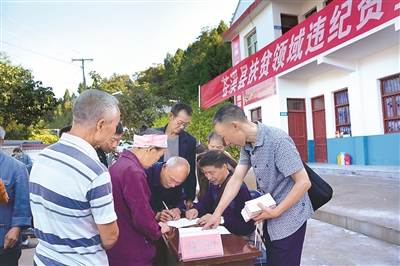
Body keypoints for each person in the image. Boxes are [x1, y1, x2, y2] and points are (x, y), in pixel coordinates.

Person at [203, 104, 313, 266]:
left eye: (224, 137)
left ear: (235, 126)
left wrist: (277, 212)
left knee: (283, 261)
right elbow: (236, 179)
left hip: (290, 216)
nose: (226, 143)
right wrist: (217, 213)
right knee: (273, 259)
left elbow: (304, 182)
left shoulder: (277, 140)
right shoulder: (247, 146)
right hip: (271, 213)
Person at [29, 90, 120, 265]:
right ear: (100, 125)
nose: (115, 131)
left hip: (43, 260)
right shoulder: (95, 172)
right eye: (115, 125)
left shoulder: (44, 156)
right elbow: (110, 237)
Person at [107, 128, 170, 266]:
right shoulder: (134, 171)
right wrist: (158, 230)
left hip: (118, 244)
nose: (156, 161)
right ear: (150, 149)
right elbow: (141, 216)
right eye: (159, 156)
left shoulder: (120, 164)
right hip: (132, 250)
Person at [186, 150, 254, 236]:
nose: (208, 177)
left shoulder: (239, 189)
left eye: (211, 172)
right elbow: (206, 203)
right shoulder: (214, 183)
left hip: (236, 237)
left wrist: (221, 219)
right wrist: (195, 209)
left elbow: (248, 226)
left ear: (224, 167)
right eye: (205, 173)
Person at [0, 126, 32, 265]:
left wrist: (16, 228)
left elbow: (23, 204)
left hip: (5, 242)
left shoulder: (17, 167)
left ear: (0, 141)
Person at [156, 102, 197, 209]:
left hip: (176, 189)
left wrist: (190, 197)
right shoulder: (155, 135)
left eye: (185, 124)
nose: (182, 127)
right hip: (156, 185)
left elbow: (191, 170)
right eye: (180, 122)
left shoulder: (189, 141)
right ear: (171, 116)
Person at [144, 156, 189, 222]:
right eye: (171, 179)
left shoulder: (178, 178)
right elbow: (138, 206)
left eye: (178, 183)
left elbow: (179, 199)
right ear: (164, 167)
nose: (173, 185)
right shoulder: (145, 174)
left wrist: (178, 209)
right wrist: (155, 215)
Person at [197, 131, 237, 200]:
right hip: (204, 197)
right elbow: (199, 177)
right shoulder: (200, 159)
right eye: (212, 146)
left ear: (225, 146)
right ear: (208, 144)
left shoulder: (231, 164)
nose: (214, 150)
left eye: (219, 147)